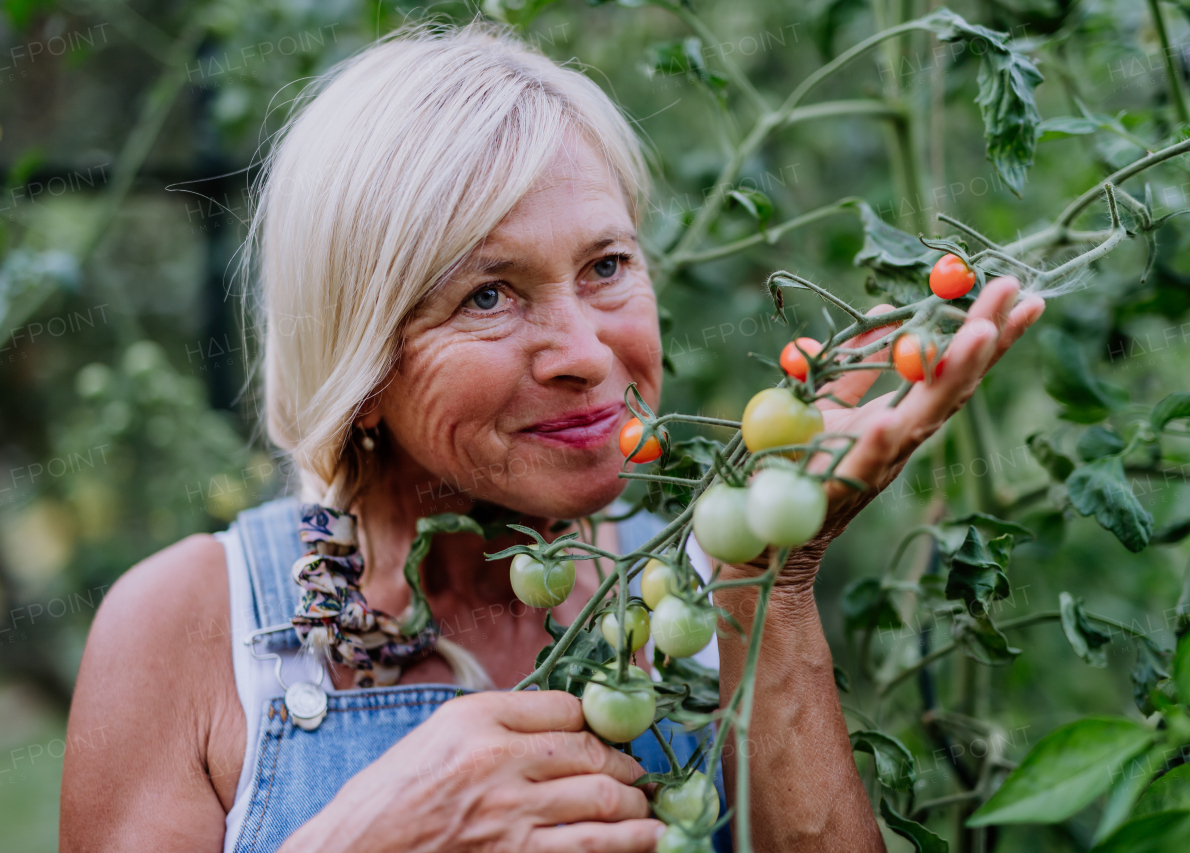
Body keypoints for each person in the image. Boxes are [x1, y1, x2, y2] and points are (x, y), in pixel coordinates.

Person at [58, 21, 1043, 853]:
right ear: (353, 364)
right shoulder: (189, 632)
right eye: (488, 294)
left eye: (607, 264)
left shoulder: (692, 592)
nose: (585, 349)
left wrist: (776, 580)